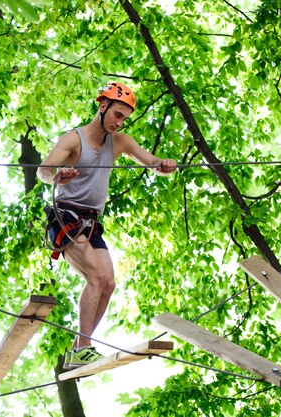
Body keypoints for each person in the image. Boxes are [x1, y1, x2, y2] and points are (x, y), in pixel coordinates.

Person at [37, 81, 177, 370]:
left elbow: (151, 162)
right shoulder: (73, 140)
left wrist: (163, 164)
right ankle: (84, 348)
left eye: (124, 118)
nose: (120, 122)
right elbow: (43, 170)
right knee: (96, 278)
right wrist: (57, 176)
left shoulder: (121, 142)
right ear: (102, 107)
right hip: (67, 218)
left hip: (92, 223)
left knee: (109, 283)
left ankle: (79, 349)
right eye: (117, 114)